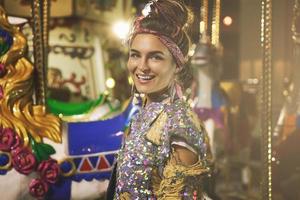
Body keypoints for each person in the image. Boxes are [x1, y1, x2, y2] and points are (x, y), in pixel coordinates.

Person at [108, 0, 212, 199]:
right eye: (135, 55)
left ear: (178, 64)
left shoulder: (180, 124)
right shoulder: (143, 113)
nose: (142, 66)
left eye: (155, 57)